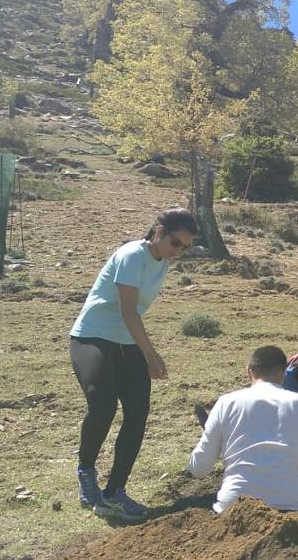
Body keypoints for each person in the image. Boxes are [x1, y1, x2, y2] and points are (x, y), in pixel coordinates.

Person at [69, 207, 199, 521]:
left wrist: (142, 353)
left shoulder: (162, 264)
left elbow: (132, 317)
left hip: (126, 343)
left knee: (138, 412)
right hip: (92, 338)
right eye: (176, 243)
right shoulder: (131, 255)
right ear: (159, 230)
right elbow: (129, 312)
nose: (178, 251)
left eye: (185, 247)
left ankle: (113, 494)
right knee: (103, 406)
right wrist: (151, 355)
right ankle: (86, 470)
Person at [189, 345, 298, 514]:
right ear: (283, 372)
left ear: (249, 371)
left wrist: (213, 439)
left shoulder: (226, 402)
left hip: (233, 509)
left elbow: (198, 469)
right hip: (291, 508)